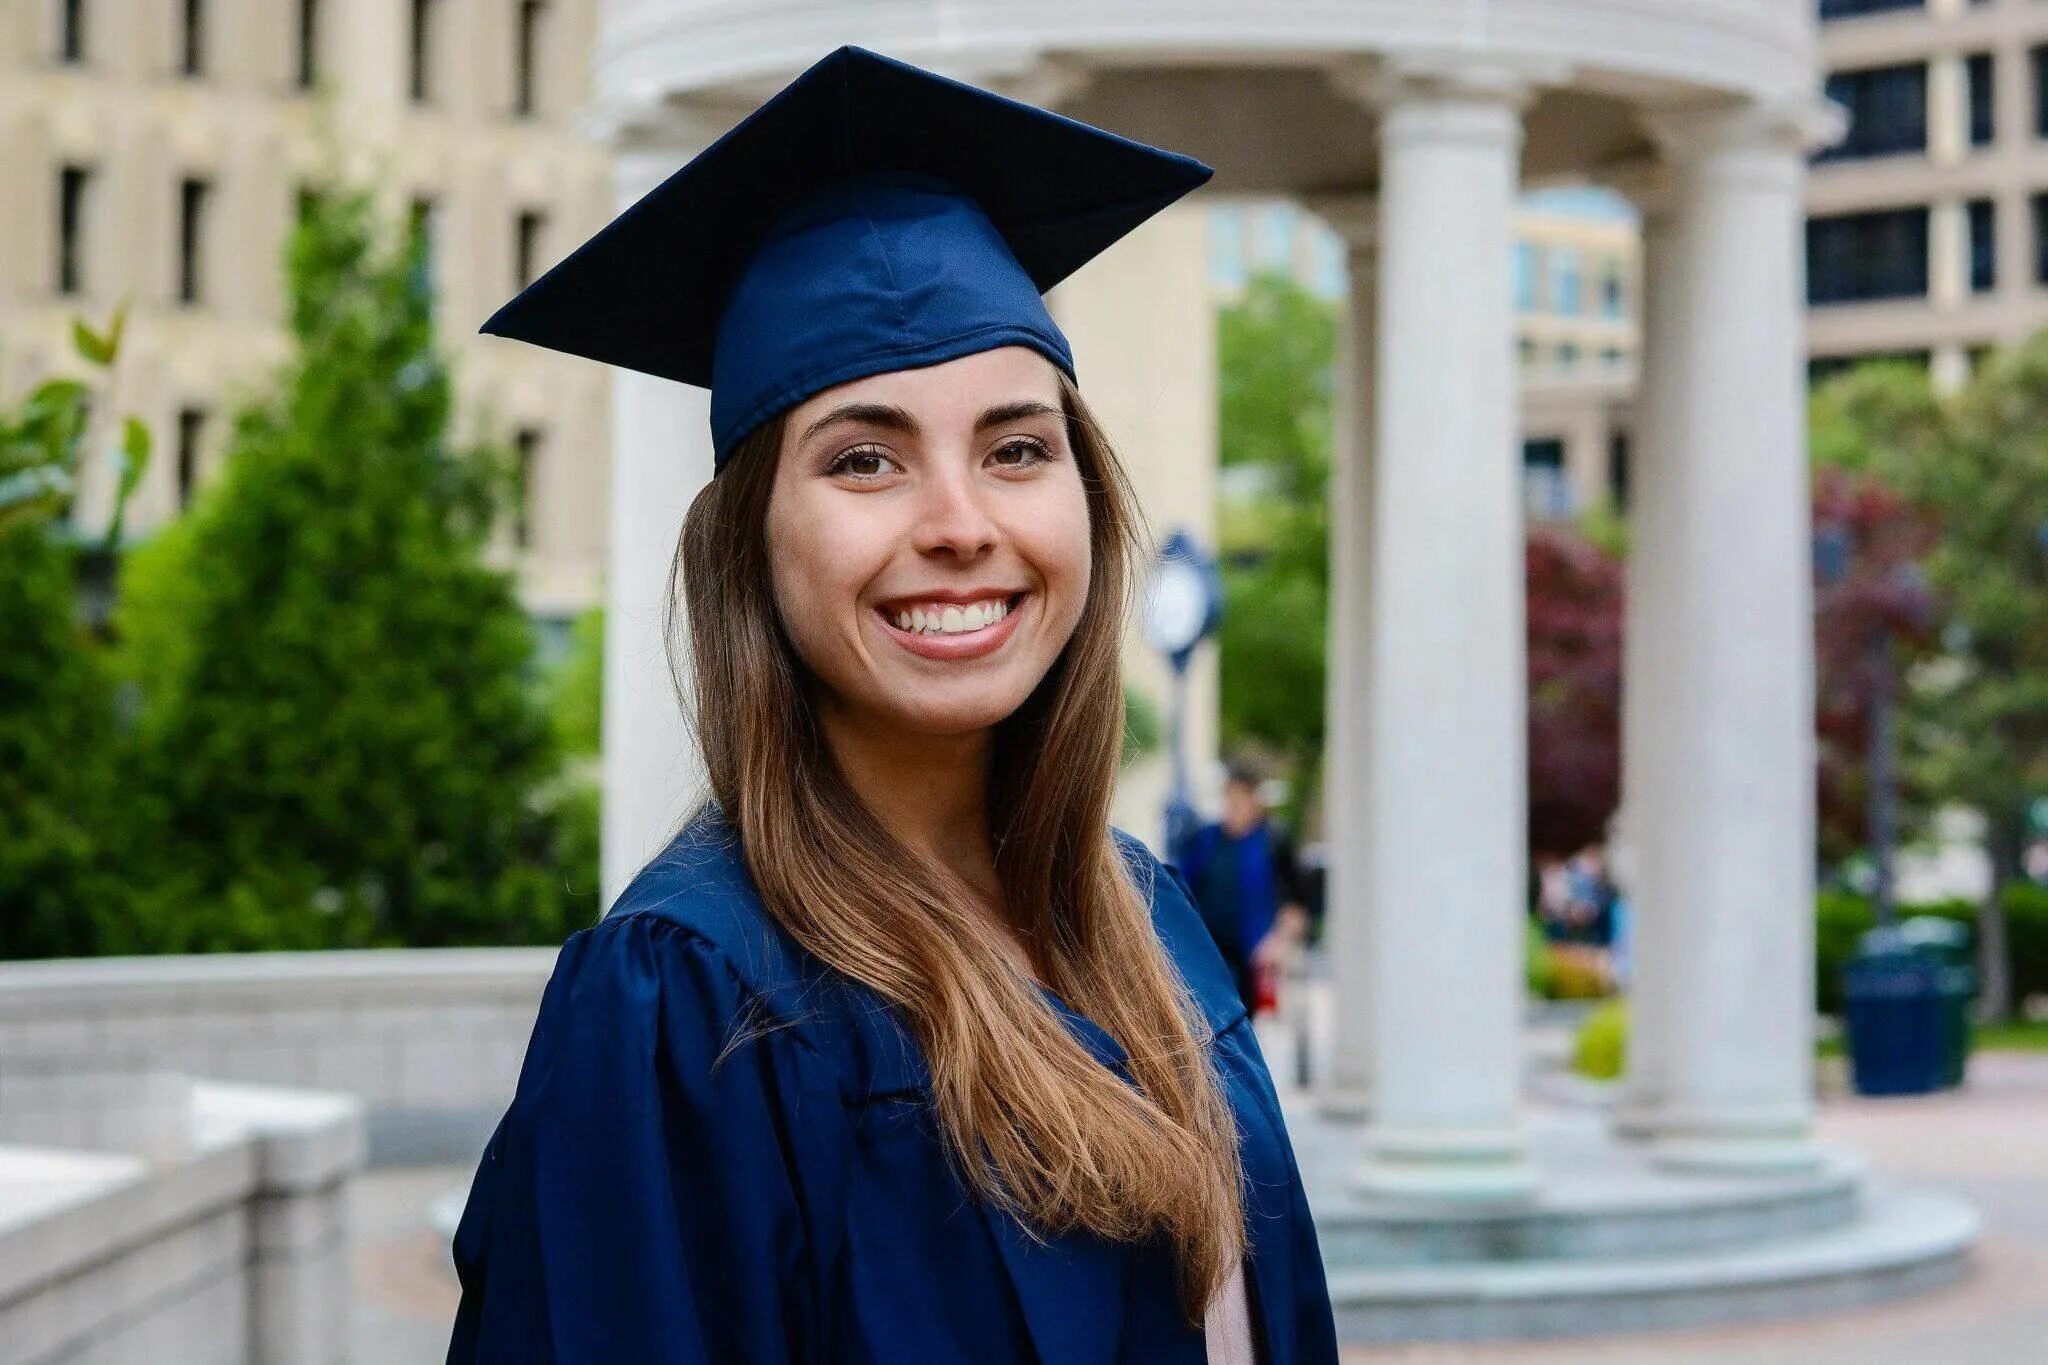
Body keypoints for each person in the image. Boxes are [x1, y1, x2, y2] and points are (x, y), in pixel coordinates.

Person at [445, 47, 1338, 1365]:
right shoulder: (686, 1005)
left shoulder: (1146, 919)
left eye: (1017, 448)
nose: (961, 523)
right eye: (866, 458)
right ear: (753, 544)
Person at [1178, 767, 1313, 1014]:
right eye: (1228, 799)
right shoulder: (1207, 839)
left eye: (1239, 800)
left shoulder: (1273, 841)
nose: (1232, 808)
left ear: (1254, 802)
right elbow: (1183, 885)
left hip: (1253, 958)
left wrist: (1277, 942)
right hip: (1208, 953)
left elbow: (1298, 903)